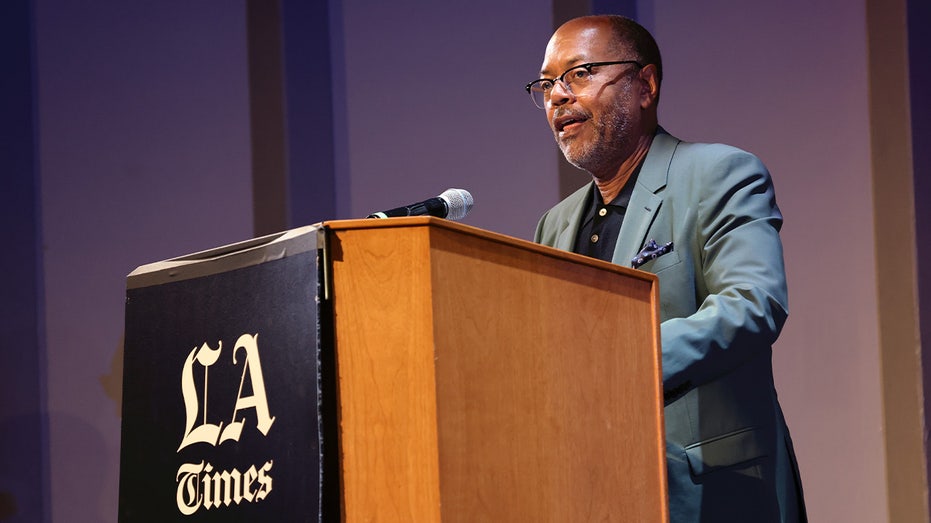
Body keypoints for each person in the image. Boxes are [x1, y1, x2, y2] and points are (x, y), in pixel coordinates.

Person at [529, 15, 806, 522]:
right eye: (546, 84)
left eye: (580, 73)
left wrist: (622, 361)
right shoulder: (555, 225)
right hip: (593, 493)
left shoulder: (718, 173)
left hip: (715, 494)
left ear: (646, 85)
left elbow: (753, 304)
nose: (558, 96)